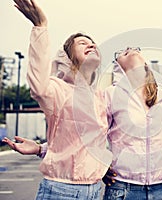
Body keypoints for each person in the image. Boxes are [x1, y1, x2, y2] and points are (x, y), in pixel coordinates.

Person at [4, 0, 112, 199]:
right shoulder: (58, 90)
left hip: (96, 190)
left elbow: (82, 144)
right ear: (68, 58)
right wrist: (40, 27)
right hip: (62, 191)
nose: (91, 44)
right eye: (82, 43)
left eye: (92, 43)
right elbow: (39, 83)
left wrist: (40, 149)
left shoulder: (100, 97)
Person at [102, 47, 162, 199]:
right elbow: (95, 133)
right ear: (118, 65)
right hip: (123, 188)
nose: (130, 49)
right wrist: (101, 166)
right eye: (123, 51)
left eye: (135, 49)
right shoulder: (111, 93)